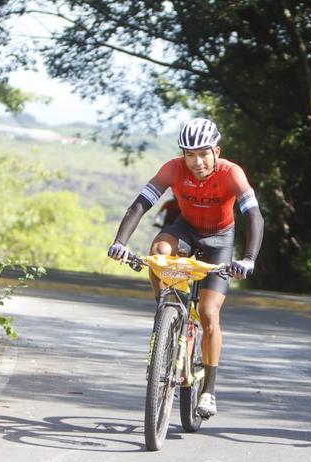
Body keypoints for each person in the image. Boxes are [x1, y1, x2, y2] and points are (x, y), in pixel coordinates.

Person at [107, 117, 264, 419]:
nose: (196, 161)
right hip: (186, 230)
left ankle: (209, 391)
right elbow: (140, 204)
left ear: (216, 151)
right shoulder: (173, 169)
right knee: (159, 252)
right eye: (189, 154)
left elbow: (254, 216)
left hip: (220, 239)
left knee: (208, 313)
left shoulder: (232, 174)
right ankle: (168, 310)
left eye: (203, 153)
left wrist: (249, 258)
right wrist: (120, 242)